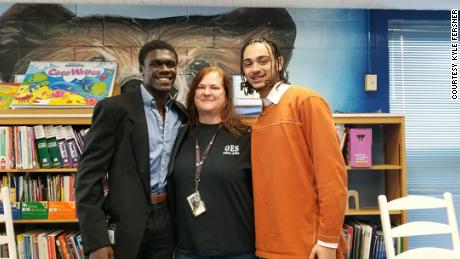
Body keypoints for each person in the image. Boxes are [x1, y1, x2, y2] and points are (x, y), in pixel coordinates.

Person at [76, 40, 187, 259]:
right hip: (127, 223)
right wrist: (96, 240)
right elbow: (88, 177)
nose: (165, 69)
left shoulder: (181, 114)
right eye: (156, 64)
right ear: (141, 70)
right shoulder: (114, 109)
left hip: (168, 221)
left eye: (170, 64)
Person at [240, 37, 347, 259]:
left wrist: (328, 240)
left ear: (279, 63)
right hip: (269, 246)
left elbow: (332, 177)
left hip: (308, 247)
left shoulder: (305, 101)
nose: (255, 69)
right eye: (248, 63)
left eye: (262, 61)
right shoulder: (259, 119)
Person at [167, 66, 255, 259]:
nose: (207, 92)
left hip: (236, 249)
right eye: (201, 87)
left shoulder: (246, 136)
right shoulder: (179, 134)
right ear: (193, 93)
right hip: (188, 249)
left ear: (226, 95)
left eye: (215, 87)